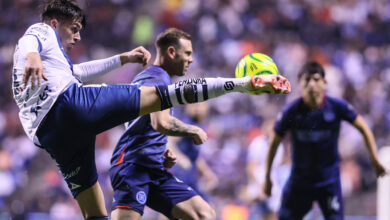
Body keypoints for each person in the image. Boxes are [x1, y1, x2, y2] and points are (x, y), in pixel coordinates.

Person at [13, 0, 291, 219]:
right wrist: (34, 55)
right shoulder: (42, 33)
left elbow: (76, 72)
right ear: (54, 23)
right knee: (166, 96)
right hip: (68, 105)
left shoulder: (56, 61)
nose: (77, 36)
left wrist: (122, 59)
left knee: (95, 212)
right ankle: (244, 83)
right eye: (74, 28)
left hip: (49, 135)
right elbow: (30, 39)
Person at [109, 28, 217, 220]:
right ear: (171, 52)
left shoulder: (154, 79)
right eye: (188, 53)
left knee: (203, 214)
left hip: (154, 168)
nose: (191, 59)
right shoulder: (157, 79)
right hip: (132, 167)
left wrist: (159, 151)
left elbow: (139, 124)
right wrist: (193, 130)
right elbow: (161, 123)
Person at [263, 61, 386, 220]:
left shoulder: (336, 107)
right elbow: (274, 141)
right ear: (300, 84)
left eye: (316, 79)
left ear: (324, 82)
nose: (312, 84)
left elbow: (364, 127)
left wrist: (375, 161)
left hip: (328, 182)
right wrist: (267, 178)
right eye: (307, 80)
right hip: (300, 181)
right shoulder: (292, 112)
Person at [244, 119, 289, 220]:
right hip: (261, 185)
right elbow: (251, 167)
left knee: (273, 214)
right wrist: (259, 186)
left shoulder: (279, 146)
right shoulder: (258, 143)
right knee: (266, 215)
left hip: (273, 186)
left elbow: (277, 167)